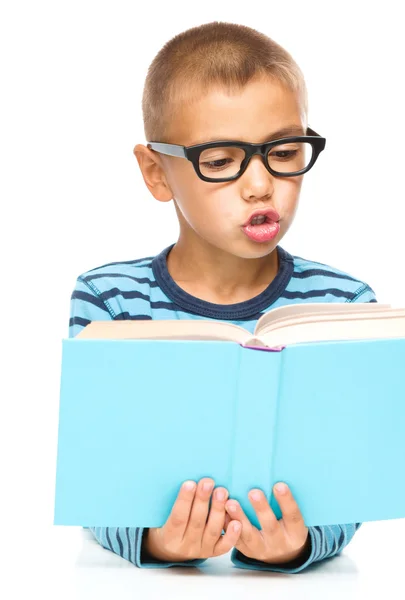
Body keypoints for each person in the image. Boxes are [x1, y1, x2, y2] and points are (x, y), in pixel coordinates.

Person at [69, 21, 377, 574]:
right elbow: (94, 488)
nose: (260, 185)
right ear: (156, 172)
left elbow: (352, 489)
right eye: (219, 161)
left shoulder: (345, 302)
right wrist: (159, 543)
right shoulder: (107, 301)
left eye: (284, 151)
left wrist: (302, 545)